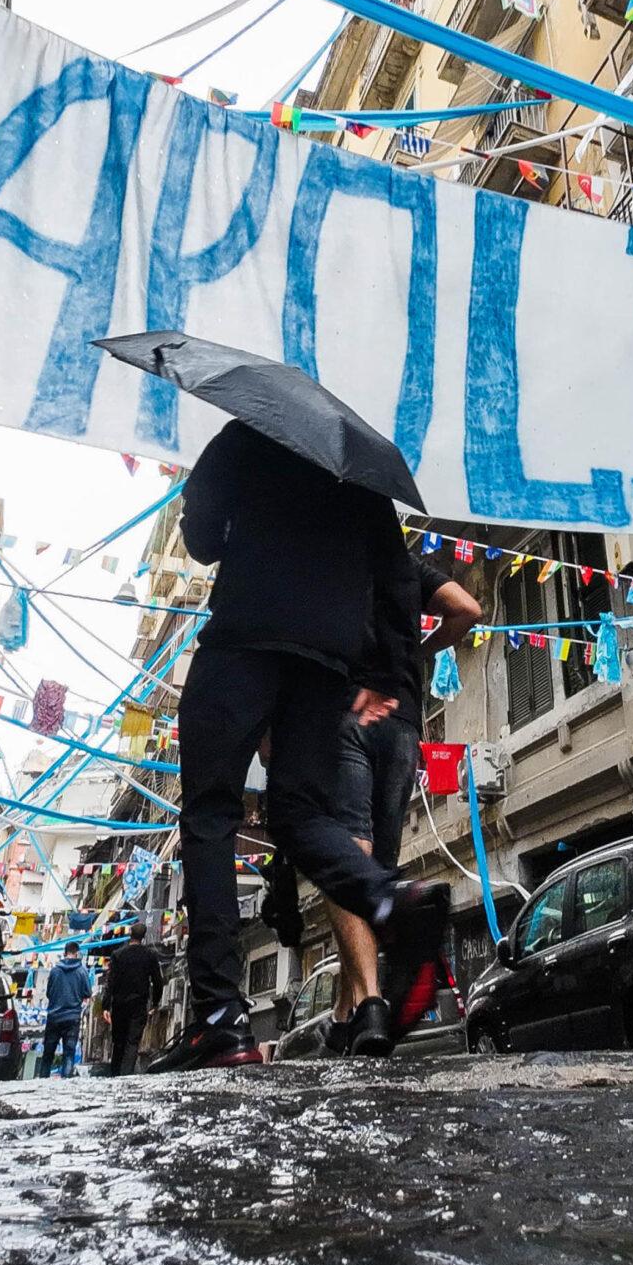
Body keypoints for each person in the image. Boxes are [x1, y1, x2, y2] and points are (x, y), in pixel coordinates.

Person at [151, 421, 451, 1073]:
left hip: (244, 643)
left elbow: (200, 540)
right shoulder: (362, 468)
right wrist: (380, 672)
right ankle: (393, 899)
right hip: (327, 666)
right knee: (303, 815)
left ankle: (221, 1020)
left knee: (211, 816)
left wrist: (225, 521)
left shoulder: (246, 431)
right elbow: (395, 578)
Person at [319, 548, 482, 1057]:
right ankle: (348, 1016)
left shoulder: (331, 561)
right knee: (373, 875)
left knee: (347, 862)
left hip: (348, 713)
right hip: (404, 727)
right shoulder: (409, 566)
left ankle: (369, 1003)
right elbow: (469, 610)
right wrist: (422, 652)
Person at [101, 933, 163, 1076]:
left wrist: (106, 1005)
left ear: (130, 935)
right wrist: (155, 1002)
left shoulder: (118, 954)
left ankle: (115, 1072)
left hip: (119, 1004)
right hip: (139, 1004)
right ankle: (126, 1074)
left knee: (119, 1041)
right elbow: (157, 980)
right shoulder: (150, 955)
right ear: (143, 936)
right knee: (132, 1041)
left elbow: (111, 982)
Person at [40, 944, 92, 1078]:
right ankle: (66, 1082)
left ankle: (42, 1081)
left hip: (54, 1016)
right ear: (77, 953)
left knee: (48, 1054)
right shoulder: (82, 971)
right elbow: (87, 992)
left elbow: (49, 993)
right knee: (69, 1054)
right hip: (72, 1018)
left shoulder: (55, 971)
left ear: (64, 953)